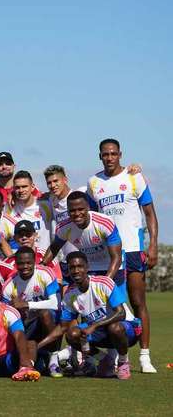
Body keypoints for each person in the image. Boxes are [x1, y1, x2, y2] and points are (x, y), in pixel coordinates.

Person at [87, 138, 158, 373]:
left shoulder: (134, 177)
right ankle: (114, 354)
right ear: (100, 156)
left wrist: (153, 245)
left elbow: (150, 214)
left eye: (113, 153)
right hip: (109, 253)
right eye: (105, 154)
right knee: (111, 305)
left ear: (120, 154)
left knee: (137, 302)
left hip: (133, 249)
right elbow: (90, 218)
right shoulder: (94, 183)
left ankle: (145, 356)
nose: (109, 158)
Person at [37, 252, 142, 380]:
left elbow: (121, 313)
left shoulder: (103, 283)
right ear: (68, 271)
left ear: (87, 267)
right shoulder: (70, 295)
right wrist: (38, 346)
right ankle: (105, 361)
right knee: (72, 334)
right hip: (101, 332)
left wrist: (94, 325)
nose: (76, 271)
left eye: (80, 266)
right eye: (72, 267)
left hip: (128, 330)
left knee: (114, 328)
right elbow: (62, 327)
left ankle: (123, 362)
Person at [0, 247, 62, 377]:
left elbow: (55, 304)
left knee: (45, 313)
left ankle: (54, 358)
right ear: (16, 264)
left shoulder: (45, 273)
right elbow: (5, 316)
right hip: (27, 325)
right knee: (30, 365)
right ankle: (38, 359)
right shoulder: (9, 286)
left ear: (35, 262)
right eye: (21, 263)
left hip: (50, 321)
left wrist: (27, 304)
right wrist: (15, 310)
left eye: (28, 263)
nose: (25, 266)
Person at [42, 192, 123, 288]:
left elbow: (116, 257)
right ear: (67, 211)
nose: (77, 214)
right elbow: (54, 248)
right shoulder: (63, 228)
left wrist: (105, 283)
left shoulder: (105, 223)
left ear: (88, 207)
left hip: (112, 265)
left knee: (113, 296)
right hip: (89, 268)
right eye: (72, 211)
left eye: (80, 209)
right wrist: (42, 266)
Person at [4, 171, 50, 250]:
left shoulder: (45, 205)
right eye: (17, 187)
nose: (21, 190)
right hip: (20, 256)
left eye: (24, 186)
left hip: (45, 256)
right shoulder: (8, 208)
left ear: (32, 187)